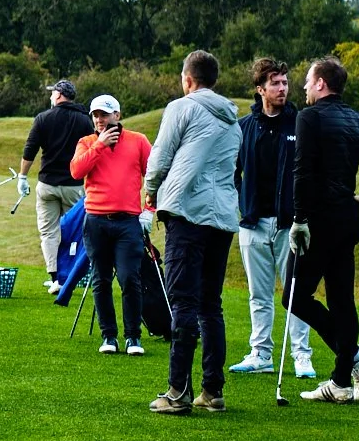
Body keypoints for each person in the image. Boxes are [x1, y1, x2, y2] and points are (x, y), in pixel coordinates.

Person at [290, 55, 359, 404]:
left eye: (309, 81)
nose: (306, 87)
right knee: (341, 298)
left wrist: (299, 219)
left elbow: (303, 172)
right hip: (347, 219)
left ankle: (353, 357)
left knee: (294, 297)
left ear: (322, 83)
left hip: (320, 220)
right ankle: (342, 379)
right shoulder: (358, 120)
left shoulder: (309, 117)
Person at [142, 50, 242, 415]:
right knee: (210, 304)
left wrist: (150, 189)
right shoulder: (233, 120)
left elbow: (160, 156)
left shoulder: (181, 108)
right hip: (222, 217)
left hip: (186, 211)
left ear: (187, 78)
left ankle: (177, 391)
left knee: (182, 301)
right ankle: (212, 390)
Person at [228, 58, 316, 379]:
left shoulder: (299, 124)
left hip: (290, 225)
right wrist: (241, 199)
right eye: (275, 83)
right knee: (259, 294)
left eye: (285, 82)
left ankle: (301, 356)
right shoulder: (244, 127)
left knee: (295, 293)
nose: (282, 88)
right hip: (252, 222)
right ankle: (260, 353)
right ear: (260, 89)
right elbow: (231, 170)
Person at [68, 94, 154, 356]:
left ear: (117, 115)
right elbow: (76, 171)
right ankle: (109, 336)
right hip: (95, 221)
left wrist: (149, 210)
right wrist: (100, 146)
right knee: (101, 279)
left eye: (104, 115)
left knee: (130, 278)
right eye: (95, 115)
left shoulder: (138, 141)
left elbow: (153, 176)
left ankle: (133, 338)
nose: (99, 120)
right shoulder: (87, 142)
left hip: (128, 221)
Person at [19, 79, 95, 295]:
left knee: (48, 232)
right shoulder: (84, 120)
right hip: (74, 185)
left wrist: (23, 177)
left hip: (47, 185)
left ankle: (56, 277)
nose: (51, 96)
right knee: (75, 232)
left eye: (53, 93)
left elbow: (30, 149)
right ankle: (70, 275)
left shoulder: (43, 118)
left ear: (60, 95)